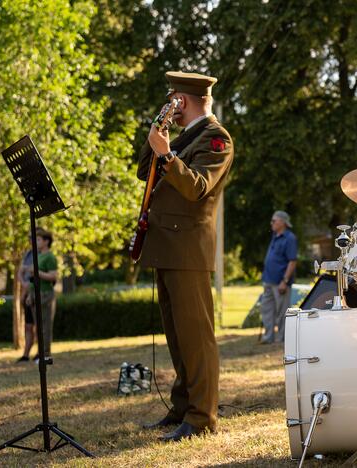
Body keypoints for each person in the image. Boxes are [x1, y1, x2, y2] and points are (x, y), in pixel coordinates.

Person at [136, 71, 234, 442]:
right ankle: (181, 407)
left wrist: (167, 154)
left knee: (197, 337)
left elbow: (196, 188)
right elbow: (146, 172)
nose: (169, 104)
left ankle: (201, 416)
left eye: (172, 98)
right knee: (177, 336)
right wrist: (155, 140)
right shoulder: (183, 138)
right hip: (168, 247)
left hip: (189, 249)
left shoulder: (216, 139)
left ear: (186, 99)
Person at [259, 210, 297, 344]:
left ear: (282, 222)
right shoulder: (275, 236)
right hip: (268, 280)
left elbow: (292, 262)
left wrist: (285, 281)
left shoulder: (289, 238)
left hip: (281, 283)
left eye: (274, 221)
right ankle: (268, 337)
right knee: (266, 310)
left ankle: (282, 339)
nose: (271, 223)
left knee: (282, 312)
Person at [20, 229, 58, 363]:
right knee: (38, 326)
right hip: (35, 294)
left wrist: (37, 271)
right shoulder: (39, 256)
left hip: (45, 294)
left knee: (45, 326)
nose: (35, 242)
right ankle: (40, 354)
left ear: (46, 241)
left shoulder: (50, 257)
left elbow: (53, 276)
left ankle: (45, 355)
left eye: (39, 240)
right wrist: (30, 294)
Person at [15, 244, 35, 362]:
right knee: (28, 325)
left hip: (37, 292)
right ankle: (26, 354)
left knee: (39, 326)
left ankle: (40, 353)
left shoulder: (43, 255)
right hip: (27, 292)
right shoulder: (28, 254)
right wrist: (24, 285)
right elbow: (21, 271)